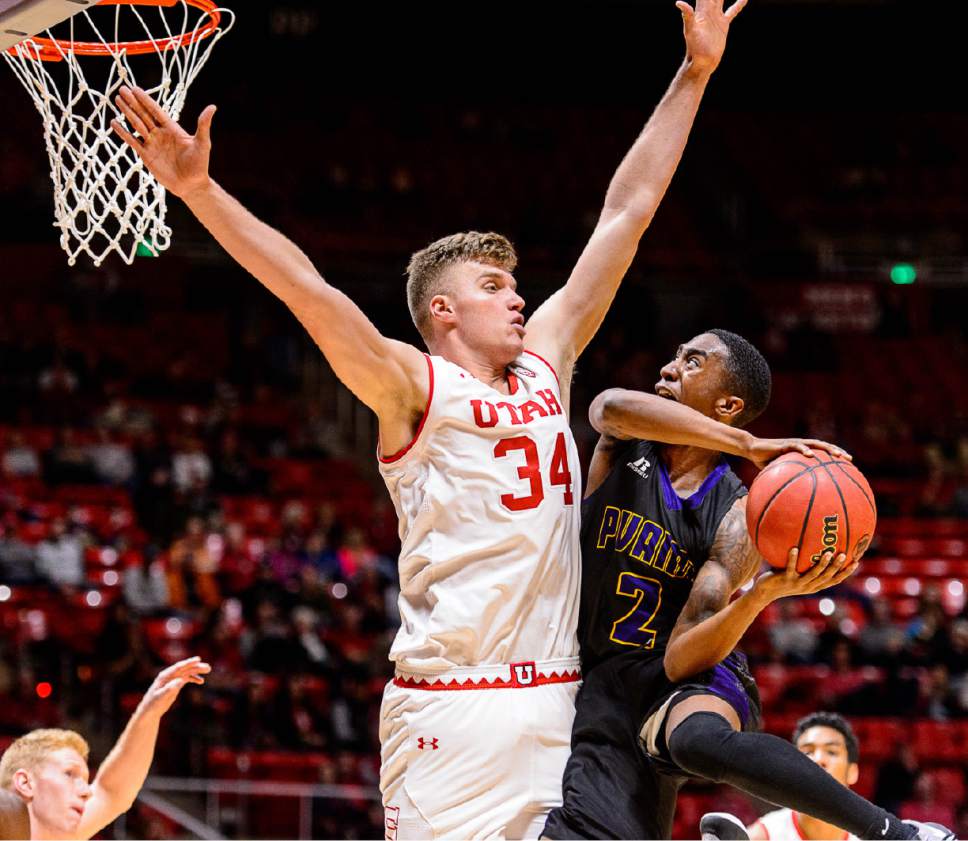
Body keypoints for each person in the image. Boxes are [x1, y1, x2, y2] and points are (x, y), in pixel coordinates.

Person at [110, 0, 747, 836]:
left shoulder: (547, 363)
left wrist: (693, 74)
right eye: (494, 286)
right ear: (441, 310)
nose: (519, 296)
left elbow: (624, 216)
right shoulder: (410, 384)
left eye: (516, 285)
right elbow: (308, 290)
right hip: (454, 704)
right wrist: (199, 191)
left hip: (561, 696)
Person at [542, 330, 952, 841]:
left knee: (697, 740)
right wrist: (749, 443)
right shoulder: (626, 442)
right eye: (673, 357)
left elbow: (679, 661)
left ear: (729, 403)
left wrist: (761, 594)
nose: (669, 368)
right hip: (607, 678)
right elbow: (609, 406)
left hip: (695, 673)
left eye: (692, 362)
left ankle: (898, 833)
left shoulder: (741, 514)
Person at [0, 657, 209, 840]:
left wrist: (150, 713)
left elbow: (112, 792)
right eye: (69, 774)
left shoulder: (59, 835)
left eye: (84, 779)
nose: (85, 791)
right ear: (25, 783)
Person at [748, 712, 860, 841]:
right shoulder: (761, 836)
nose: (818, 760)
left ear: (852, 772)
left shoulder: (872, 836)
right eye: (808, 752)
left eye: (831, 752)